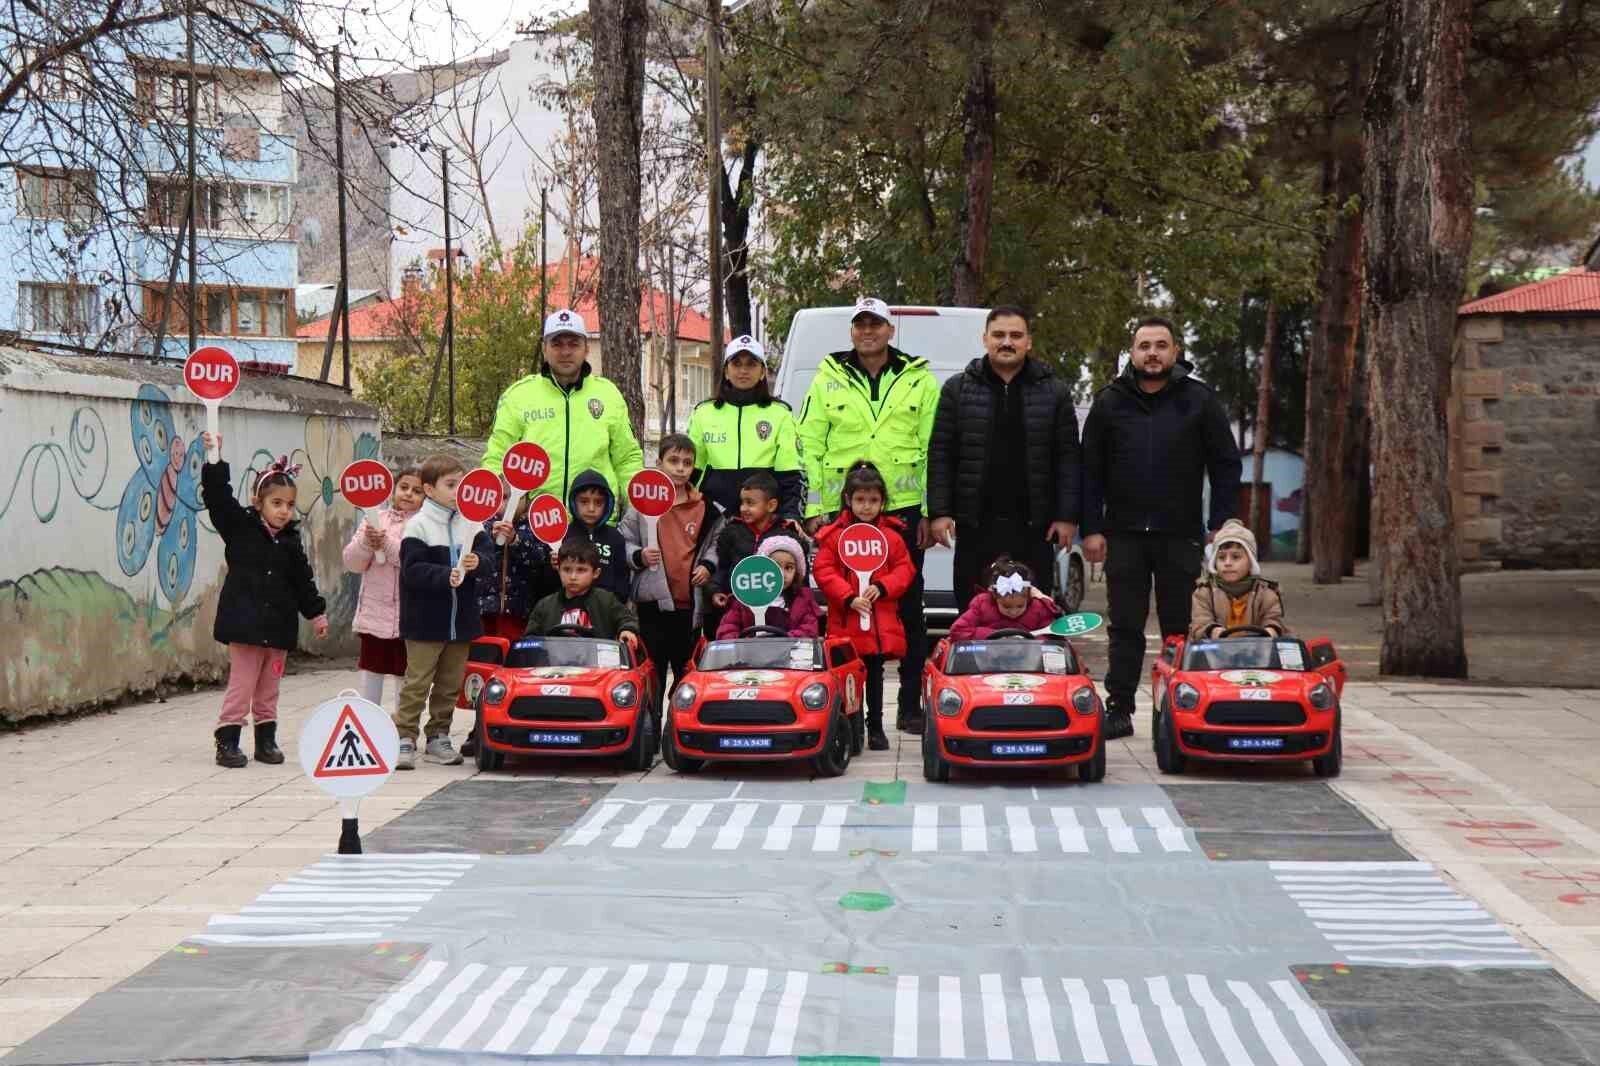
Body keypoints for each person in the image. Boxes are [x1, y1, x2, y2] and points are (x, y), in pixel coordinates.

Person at [1080, 316, 1243, 739]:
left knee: (1178, 626)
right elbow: (1089, 472)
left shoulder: (1200, 401)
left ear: (1175, 352)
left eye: (1161, 345)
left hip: (1180, 534)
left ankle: (1176, 703)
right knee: (1125, 626)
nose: (1152, 353)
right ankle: (1119, 707)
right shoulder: (1109, 402)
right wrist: (1092, 529)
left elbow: (1225, 463)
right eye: (1144, 345)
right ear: (1131, 353)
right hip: (1124, 533)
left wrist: (1221, 524)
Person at [797, 297, 939, 733]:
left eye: (876, 323)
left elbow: (936, 448)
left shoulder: (919, 379)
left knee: (909, 611)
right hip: (846, 513)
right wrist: (816, 508)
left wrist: (931, 514)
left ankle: (909, 705)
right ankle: (851, 705)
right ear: (852, 331)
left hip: (901, 513)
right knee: (844, 610)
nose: (868, 331)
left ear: (889, 330)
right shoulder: (828, 379)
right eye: (860, 324)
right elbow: (810, 444)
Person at [927, 305, 1080, 605]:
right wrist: (940, 512)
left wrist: (1067, 516)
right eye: (998, 335)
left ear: (1029, 342)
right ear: (985, 339)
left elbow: (1068, 458)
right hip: (975, 525)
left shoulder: (1054, 391)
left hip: (1035, 527)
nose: (1007, 342)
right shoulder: (957, 390)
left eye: (1015, 335)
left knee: (1035, 610)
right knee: (973, 610)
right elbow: (941, 453)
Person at [199, 435, 329, 768]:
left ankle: (266, 741)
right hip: (244, 625)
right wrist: (215, 458)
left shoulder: (290, 541)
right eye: (277, 504)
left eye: (289, 505)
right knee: (242, 685)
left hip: (278, 627)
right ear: (258, 503)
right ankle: (227, 740)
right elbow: (217, 498)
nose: (284, 511)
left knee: (269, 688)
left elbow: (303, 581)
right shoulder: (240, 528)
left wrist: (316, 613)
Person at [481, 308, 644, 516]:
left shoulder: (608, 394)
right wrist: (499, 506)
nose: (565, 352)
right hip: (536, 524)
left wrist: (639, 509)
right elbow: (496, 457)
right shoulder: (518, 395)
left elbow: (627, 458)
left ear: (586, 348)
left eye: (573, 344)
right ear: (544, 349)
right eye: (557, 344)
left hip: (596, 522)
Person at [396, 454, 493, 769]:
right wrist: (443, 576)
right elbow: (412, 571)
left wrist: (478, 562)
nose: (458, 491)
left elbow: (488, 559)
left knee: (450, 685)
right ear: (429, 488)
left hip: (461, 624)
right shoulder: (418, 526)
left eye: (461, 484)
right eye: (451, 485)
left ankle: (439, 736)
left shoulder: (473, 523)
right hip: (424, 624)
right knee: (417, 683)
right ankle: (404, 738)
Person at [812, 461, 917, 749]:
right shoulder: (834, 536)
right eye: (860, 500)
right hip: (846, 620)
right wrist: (848, 596)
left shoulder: (892, 537)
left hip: (878, 622)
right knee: (848, 678)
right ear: (848, 499)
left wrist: (882, 587)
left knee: (875, 674)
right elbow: (824, 570)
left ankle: (876, 727)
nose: (867, 507)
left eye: (873, 500)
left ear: (883, 501)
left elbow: (904, 569)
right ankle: (853, 728)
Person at [621, 433, 725, 714]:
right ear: (659, 463)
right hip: (652, 603)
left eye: (687, 462)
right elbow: (625, 539)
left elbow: (717, 541)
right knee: (652, 673)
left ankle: (678, 730)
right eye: (673, 461)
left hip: (688, 606)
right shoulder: (641, 504)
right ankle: (650, 733)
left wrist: (708, 565)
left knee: (685, 673)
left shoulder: (706, 507)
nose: (680, 468)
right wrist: (638, 556)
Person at [687, 335, 805, 521]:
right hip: (714, 516)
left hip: (765, 517)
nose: (743, 370)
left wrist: (791, 515)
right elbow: (690, 471)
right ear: (726, 371)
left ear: (763, 372)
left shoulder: (780, 413)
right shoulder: (703, 413)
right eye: (736, 363)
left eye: (751, 364)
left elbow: (791, 474)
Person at [342, 463, 424, 713]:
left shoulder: (425, 524)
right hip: (374, 616)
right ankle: (368, 723)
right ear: (393, 490)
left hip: (409, 619)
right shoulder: (373, 519)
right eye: (404, 487)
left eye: (417, 490)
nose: (408, 493)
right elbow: (352, 562)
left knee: (406, 677)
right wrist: (367, 543)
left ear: (427, 495)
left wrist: (385, 542)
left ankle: (402, 729)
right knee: (372, 672)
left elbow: (411, 560)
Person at [525, 538, 642, 643]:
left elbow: (626, 619)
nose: (573, 576)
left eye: (581, 570)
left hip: (599, 664)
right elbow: (530, 639)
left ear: (596, 573)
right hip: (555, 664)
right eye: (567, 569)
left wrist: (627, 630)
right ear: (558, 570)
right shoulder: (545, 605)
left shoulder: (606, 600)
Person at [477, 493, 557, 641]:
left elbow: (538, 560)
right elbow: (473, 556)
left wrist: (515, 540)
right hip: (484, 609)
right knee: (484, 656)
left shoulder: (534, 526)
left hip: (519, 610)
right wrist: (490, 536)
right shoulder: (481, 524)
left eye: (517, 497)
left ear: (527, 499)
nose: (510, 503)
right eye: (504, 497)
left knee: (513, 656)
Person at [1189, 519, 1288, 639]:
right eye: (1221, 557)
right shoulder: (1204, 593)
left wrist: (1270, 631)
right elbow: (1200, 624)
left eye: (1235, 557)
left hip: (1257, 653)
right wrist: (1215, 632)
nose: (1227, 563)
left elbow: (1274, 621)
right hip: (1214, 654)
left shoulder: (1267, 594)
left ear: (1251, 562)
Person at [716, 535, 821, 639]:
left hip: (788, 654)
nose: (782, 574)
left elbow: (809, 630)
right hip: (748, 654)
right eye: (775, 566)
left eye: (789, 567)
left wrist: (786, 640)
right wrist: (744, 643)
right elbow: (726, 630)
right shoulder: (745, 598)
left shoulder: (802, 600)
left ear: (796, 571)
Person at [711, 471, 787, 614]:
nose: (743, 508)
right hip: (737, 609)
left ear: (771, 505)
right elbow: (722, 568)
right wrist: (716, 591)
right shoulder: (732, 533)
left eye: (750, 503)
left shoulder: (786, 535)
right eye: (742, 502)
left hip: (776, 610)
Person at [948, 556, 1062, 641]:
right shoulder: (982, 604)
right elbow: (958, 630)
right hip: (986, 662)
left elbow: (1053, 636)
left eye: (1020, 606)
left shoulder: (1039, 608)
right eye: (1007, 606)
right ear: (994, 596)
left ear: (1028, 597)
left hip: (1030, 663)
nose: (1013, 611)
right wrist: (994, 636)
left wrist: (1030, 641)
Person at [566, 469, 630, 599]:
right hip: (568, 611)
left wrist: (614, 605)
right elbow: (550, 583)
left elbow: (622, 577)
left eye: (598, 502)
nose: (591, 508)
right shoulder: (564, 535)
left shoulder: (615, 537)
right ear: (573, 502)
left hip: (605, 612)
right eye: (584, 501)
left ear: (608, 504)